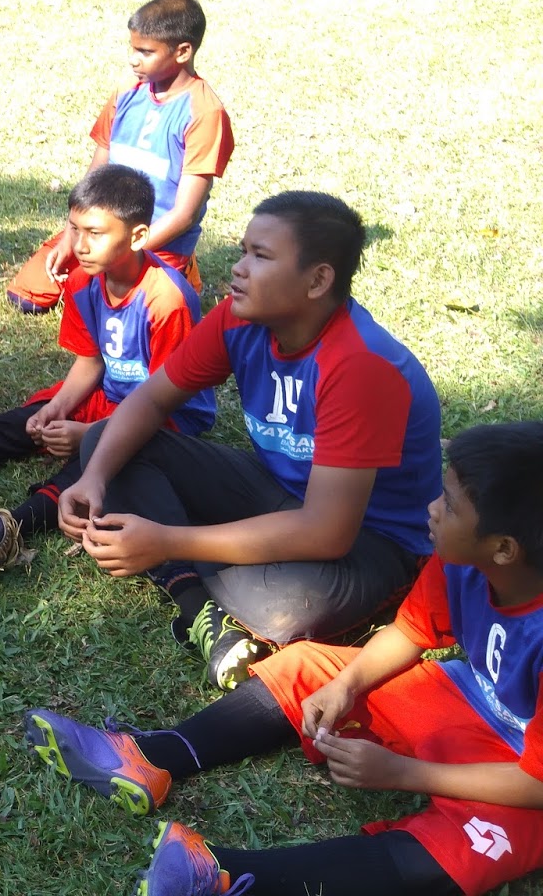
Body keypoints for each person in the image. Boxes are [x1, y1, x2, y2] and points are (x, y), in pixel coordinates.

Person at [24, 420, 543, 896]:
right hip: (464, 703)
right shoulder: (460, 559)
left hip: (523, 773)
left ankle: (224, 876)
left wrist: (405, 772)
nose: (432, 507)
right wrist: (345, 685)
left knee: (482, 844)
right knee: (309, 667)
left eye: (450, 505)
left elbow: (535, 783)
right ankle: (151, 756)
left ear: (504, 549)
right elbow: (410, 631)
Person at [60, 192, 441, 691]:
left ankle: (186, 579)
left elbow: (328, 532)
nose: (238, 268)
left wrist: (168, 540)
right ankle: (202, 595)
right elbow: (151, 401)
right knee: (106, 441)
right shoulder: (238, 318)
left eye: (260, 256)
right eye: (243, 251)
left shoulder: (360, 365)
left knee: (281, 608)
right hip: (279, 492)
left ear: (318, 280)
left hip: (370, 542)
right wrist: (93, 478)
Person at [0, 166, 217, 573]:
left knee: (105, 461)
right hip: (111, 397)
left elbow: (163, 401)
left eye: (95, 233)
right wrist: (58, 408)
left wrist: (87, 432)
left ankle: (12, 525)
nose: (80, 245)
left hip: (168, 418)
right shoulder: (83, 280)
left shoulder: (166, 299)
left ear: (137, 237)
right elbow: (91, 360)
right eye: (74, 229)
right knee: (27, 421)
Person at [6, 0, 233, 314]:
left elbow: (183, 215)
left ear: (183, 51)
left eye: (145, 52)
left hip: (152, 244)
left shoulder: (205, 113)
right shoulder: (128, 88)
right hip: (102, 234)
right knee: (27, 296)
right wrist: (72, 236)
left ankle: (181, 273)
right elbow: (95, 175)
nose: (133, 59)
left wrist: (123, 252)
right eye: (132, 48)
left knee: (130, 307)